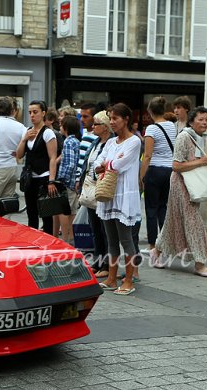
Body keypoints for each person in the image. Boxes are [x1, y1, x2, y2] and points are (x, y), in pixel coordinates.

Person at [154, 106, 207, 277]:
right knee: (193, 221)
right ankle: (200, 263)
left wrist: (201, 161)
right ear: (191, 121)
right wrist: (201, 162)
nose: (205, 123)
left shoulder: (199, 137)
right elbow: (176, 165)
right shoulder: (184, 136)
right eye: (201, 119)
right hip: (181, 184)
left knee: (172, 220)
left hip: (191, 183)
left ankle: (157, 251)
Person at [93, 103, 142, 295]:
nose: (112, 122)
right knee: (111, 240)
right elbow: (100, 160)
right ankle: (112, 277)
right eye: (110, 118)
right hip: (108, 194)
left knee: (126, 239)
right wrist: (103, 165)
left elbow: (119, 164)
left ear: (126, 119)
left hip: (124, 196)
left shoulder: (135, 141)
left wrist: (105, 165)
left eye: (115, 118)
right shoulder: (111, 143)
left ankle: (129, 279)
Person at [139, 96, 176, 260]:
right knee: (163, 208)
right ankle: (164, 243)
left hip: (154, 170)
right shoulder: (172, 126)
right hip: (169, 171)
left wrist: (140, 176)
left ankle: (153, 245)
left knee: (151, 209)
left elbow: (147, 155)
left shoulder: (152, 129)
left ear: (150, 111)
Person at [78, 110, 113, 277]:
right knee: (95, 228)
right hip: (91, 186)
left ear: (105, 127)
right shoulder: (96, 142)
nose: (93, 126)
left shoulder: (111, 143)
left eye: (97, 124)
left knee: (104, 229)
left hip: (102, 188)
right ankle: (98, 261)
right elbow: (88, 163)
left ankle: (106, 264)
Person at [16, 100, 58, 234]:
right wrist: (24, 139)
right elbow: (19, 155)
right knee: (31, 213)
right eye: (30, 113)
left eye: (35, 112)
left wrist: (51, 180)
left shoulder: (48, 133)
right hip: (30, 179)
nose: (32, 115)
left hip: (44, 177)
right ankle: (33, 241)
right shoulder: (28, 131)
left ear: (43, 113)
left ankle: (48, 244)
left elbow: (52, 158)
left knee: (46, 216)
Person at [55, 115, 81, 244]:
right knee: (72, 211)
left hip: (68, 182)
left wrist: (62, 178)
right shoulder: (76, 141)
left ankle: (65, 239)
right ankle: (71, 237)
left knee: (63, 211)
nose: (59, 127)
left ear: (65, 128)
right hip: (73, 182)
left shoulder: (68, 142)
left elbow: (70, 164)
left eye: (61, 125)